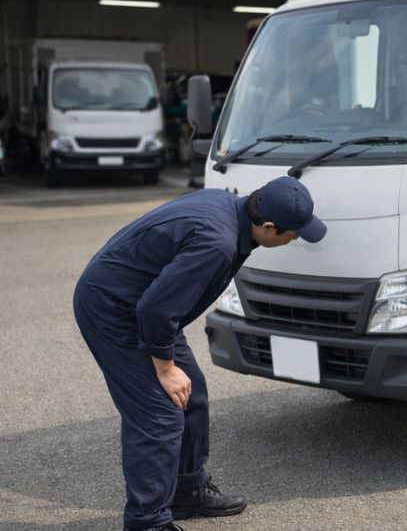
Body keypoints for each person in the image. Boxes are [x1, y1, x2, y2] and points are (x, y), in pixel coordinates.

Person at [74, 176, 327, 530]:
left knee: (190, 393)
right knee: (159, 414)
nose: (295, 239)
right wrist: (165, 368)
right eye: (293, 234)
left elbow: (161, 302)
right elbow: (156, 309)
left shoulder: (231, 209)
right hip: (114, 308)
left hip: (147, 303)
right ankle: (147, 522)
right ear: (268, 227)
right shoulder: (217, 243)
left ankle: (185, 490)